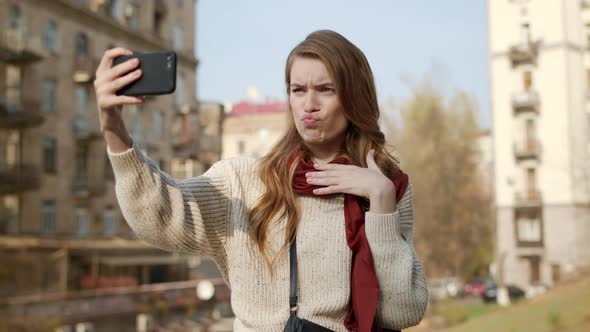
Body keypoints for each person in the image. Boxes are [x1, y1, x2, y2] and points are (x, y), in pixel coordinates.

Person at [94, 30, 428, 332]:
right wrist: (113, 129)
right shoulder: (244, 180)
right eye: (298, 90)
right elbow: (158, 216)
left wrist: (381, 204)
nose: (309, 105)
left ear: (354, 96)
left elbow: (402, 312)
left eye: (325, 90)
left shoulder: (388, 186)